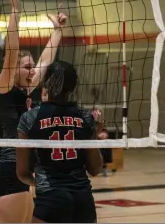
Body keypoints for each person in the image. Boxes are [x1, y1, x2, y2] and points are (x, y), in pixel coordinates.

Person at [0, 0, 67, 223]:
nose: (32, 70)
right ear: (14, 70)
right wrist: (15, 11)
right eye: (27, 67)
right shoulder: (4, 87)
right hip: (9, 168)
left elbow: (45, 60)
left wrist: (57, 31)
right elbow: (11, 52)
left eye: (32, 67)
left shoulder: (25, 91)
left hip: (25, 168)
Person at [16, 61, 107, 223]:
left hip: (51, 199)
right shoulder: (85, 117)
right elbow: (95, 169)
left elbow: (22, 172)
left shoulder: (30, 118)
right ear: (73, 87)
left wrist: (41, 184)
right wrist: (93, 133)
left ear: (46, 84)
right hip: (83, 200)